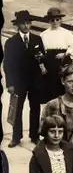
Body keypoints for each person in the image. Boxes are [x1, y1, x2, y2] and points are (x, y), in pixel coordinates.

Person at [5, 10, 46, 148]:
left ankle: (34, 135)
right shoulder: (11, 42)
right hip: (18, 81)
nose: (26, 26)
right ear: (17, 25)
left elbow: (42, 58)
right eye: (23, 24)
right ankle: (16, 137)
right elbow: (8, 64)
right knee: (17, 108)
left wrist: (41, 61)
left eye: (28, 23)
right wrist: (10, 83)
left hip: (34, 81)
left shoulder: (37, 39)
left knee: (35, 108)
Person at [41, 64, 73, 148]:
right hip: (60, 153)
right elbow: (43, 131)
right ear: (63, 81)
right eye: (70, 81)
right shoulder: (52, 105)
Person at [40, 7, 73, 103]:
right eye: (52, 20)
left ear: (60, 20)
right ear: (49, 21)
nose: (55, 22)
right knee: (51, 83)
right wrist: (42, 65)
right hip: (50, 60)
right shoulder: (44, 34)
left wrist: (65, 53)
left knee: (64, 81)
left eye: (57, 19)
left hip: (63, 60)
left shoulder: (66, 33)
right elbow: (41, 51)